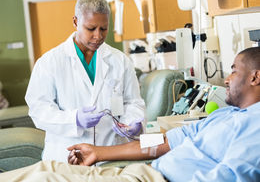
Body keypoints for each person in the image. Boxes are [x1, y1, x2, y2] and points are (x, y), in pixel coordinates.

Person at [0, 47, 259, 181]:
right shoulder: (225, 116)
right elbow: (164, 141)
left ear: (255, 77)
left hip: (156, 180)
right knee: (47, 168)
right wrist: (99, 152)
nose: (226, 78)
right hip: (141, 174)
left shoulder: (255, 125)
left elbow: (232, 177)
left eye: (234, 70)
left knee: (46, 179)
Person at [25, 0, 145, 162]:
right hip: (66, 158)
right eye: (91, 28)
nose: (98, 36)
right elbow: (38, 110)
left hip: (111, 154)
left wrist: (134, 122)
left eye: (103, 28)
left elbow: (133, 101)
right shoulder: (49, 62)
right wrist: (74, 119)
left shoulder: (120, 60)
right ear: (75, 22)